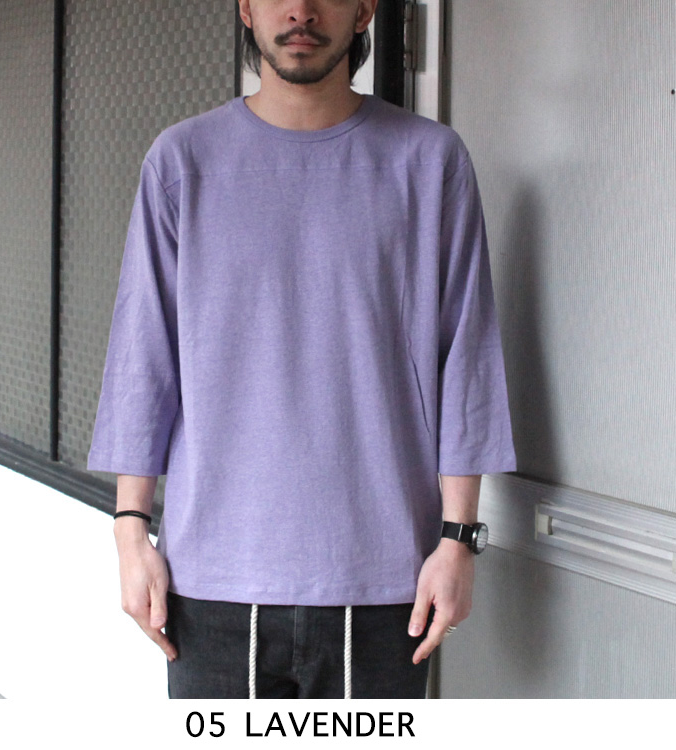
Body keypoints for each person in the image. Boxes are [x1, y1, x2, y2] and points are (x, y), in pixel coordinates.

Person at [87, 0, 516, 699]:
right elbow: (145, 356)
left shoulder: (430, 162)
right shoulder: (182, 162)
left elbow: (466, 357)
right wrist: (130, 531)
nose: (301, 11)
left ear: (365, 9)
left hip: (386, 582)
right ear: (246, 8)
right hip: (210, 582)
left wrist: (457, 539)